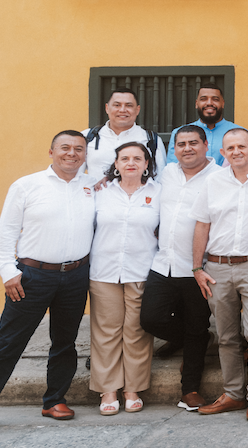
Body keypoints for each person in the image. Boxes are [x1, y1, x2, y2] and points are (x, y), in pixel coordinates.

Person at [0, 131, 96, 421]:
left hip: (76, 276)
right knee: (8, 342)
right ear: (51, 151)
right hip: (31, 276)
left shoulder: (93, 186)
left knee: (65, 341)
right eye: (65, 148)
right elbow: (6, 232)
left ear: (85, 155)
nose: (72, 153)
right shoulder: (27, 185)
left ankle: (54, 400)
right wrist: (8, 271)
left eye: (79, 149)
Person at [191, 128, 248, 422]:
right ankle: (233, 394)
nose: (237, 151)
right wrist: (197, 268)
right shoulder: (212, 182)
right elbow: (202, 226)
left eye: (242, 146)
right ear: (223, 152)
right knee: (227, 336)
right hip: (216, 268)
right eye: (230, 148)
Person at [141, 125, 221, 412]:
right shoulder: (167, 174)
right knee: (150, 319)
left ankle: (190, 390)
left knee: (196, 327)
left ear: (205, 146)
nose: (187, 148)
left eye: (193, 143)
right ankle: (187, 337)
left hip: (199, 268)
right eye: (181, 144)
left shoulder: (219, 177)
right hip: (164, 263)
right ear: (174, 148)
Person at [89, 142, 160, 415]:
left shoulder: (159, 192)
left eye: (137, 158)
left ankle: (133, 388)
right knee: (106, 332)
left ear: (146, 164)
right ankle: (108, 389)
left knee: (136, 331)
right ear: (116, 164)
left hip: (142, 270)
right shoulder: (99, 192)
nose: (131, 163)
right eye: (125, 158)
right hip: (104, 271)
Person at [84, 87, 166, 178]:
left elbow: (160, 178)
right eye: (117, 105)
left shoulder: (152, 140)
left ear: (137, 110)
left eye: (129, 105)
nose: (122, 110)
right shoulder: (88, 136)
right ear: (107, 108)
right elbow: (75, 175)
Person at [165, 84, 243, 166]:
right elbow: (173, 167)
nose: (209, 103)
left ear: (223, 103)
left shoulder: (239, 132)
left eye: (215, 99)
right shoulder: (180, 133)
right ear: (196, 103)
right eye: (203, 99)